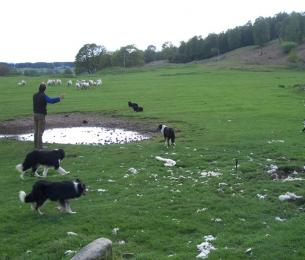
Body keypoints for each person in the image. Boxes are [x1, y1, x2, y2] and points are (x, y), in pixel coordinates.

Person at [33, 83, 64, 149]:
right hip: (41, 115)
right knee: (40, 131)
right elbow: (51, 101)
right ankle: (40, 147)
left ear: (39, 88)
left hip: (35, 114)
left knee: (36, 130)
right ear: (45, 89)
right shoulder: (43, 96)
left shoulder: (34, 95)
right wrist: (59, 98)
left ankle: (36, 146)